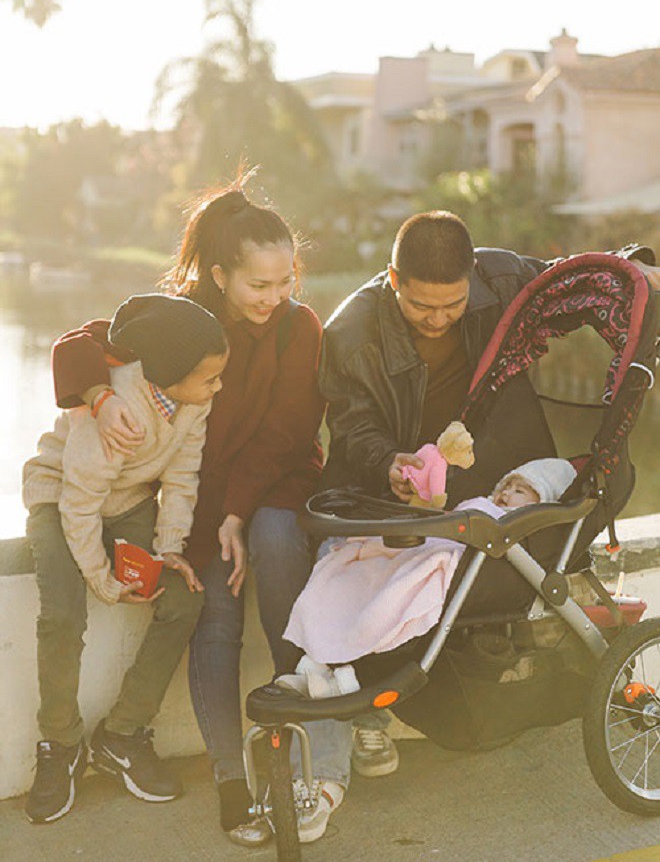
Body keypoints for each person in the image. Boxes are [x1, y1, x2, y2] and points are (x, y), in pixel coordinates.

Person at [316, 210, 657, 813]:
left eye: (453, 304)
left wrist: (636, 271)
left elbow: (565, 286)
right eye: (423, 306)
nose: (441, 318)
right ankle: (371, 706)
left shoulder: (499, 279)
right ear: (393, 278)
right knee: (380, 573)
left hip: (483, 457)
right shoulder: (351, 331)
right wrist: (391, 463)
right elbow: (353, 427)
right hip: (394, 470)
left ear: (472, 276)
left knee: (470, 568)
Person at [49, 180, 330, 846]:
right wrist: (98, 394)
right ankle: (231, 779)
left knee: (280, 553)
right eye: (258, 284)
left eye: (285, 280)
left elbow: (287, 433)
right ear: (221, 274)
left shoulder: (300, 326)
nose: (274, 297)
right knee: (215, 611)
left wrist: (238, 511)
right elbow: (76, 345)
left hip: (274, 484)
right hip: (195, 496)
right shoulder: (182, 323)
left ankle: (293, 757)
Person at [23, 294, 228, 824]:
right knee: (63, 616)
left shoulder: (194, 403)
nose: (217, 388)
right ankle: (61, 743)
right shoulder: (117, 411)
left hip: (130, 501)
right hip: (62, 496)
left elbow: (182, 481)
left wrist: (168, 552)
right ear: (170, 375)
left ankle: (122, 734)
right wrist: (104, 580)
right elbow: (80, 505)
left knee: (184, 599)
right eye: (209, 378)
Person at [283, 458, 577, 666]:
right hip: (440, 538)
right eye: (507, 485)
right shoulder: (485, 504)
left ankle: (342, 648)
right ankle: (324, 651)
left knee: (396, 583)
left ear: (539, 505)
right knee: (364, 565)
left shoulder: (518, 530)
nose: (505, 493)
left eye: (519, 491)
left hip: (455, 556)